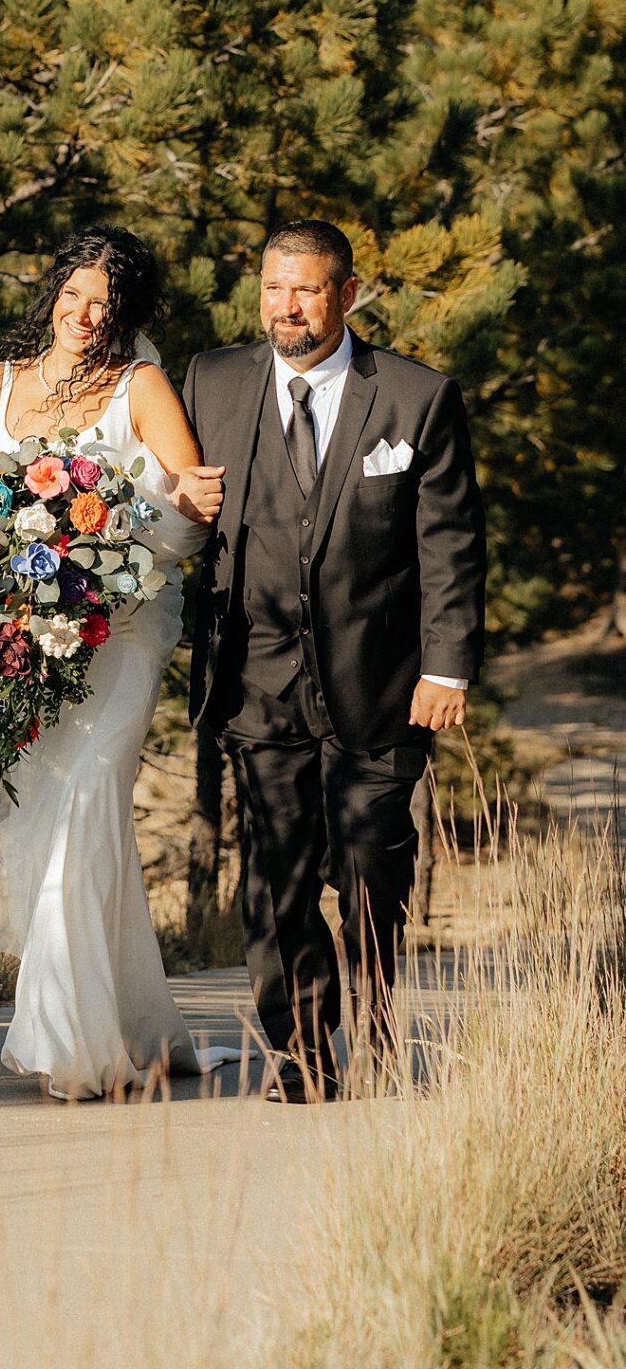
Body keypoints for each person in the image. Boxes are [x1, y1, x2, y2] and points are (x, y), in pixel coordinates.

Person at [184, 221, 486, 1099]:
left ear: (346, 293)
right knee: (276, 878)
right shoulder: (211, 381)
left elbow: (450, 546)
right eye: (274, 288)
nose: (286, 307)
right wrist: (175, 495)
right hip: (256, 676)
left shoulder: (414, 397)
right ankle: (304, 1058)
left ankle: (383, 1029)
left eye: (306, 289)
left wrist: (447, 668)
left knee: (370, 867)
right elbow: (167, 505)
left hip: (383, 683)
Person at [0, 226, 228, 1098]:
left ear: (127, 315)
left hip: (124, 628)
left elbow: (191, 518)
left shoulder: (139, 386)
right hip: (24, 633)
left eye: (106, 305)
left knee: (84, 802)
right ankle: (134, 1026)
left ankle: (66, 1045)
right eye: (75, 296)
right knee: (54, 811)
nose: (86, 316)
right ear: (51, 295)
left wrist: (115, 529)